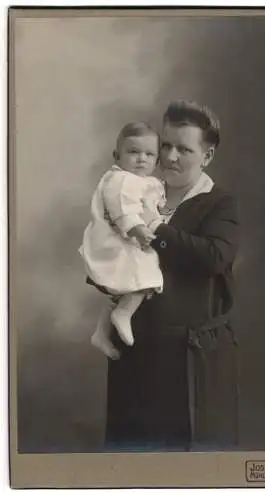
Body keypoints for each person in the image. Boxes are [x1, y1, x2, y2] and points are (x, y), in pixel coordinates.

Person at [104, 100, 240, 451]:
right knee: (129, 457)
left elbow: (213, 257)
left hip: (188, 360)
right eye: (166, 145)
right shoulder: (141, 190)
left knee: (186, 460)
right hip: (135, 353)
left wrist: (157, 227)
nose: (170, 156)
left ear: (207, 156)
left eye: (184, 149)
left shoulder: (219, 203)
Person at [79, 122, 165, 360]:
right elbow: (122, 209)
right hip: (118, 239)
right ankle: (123, 314)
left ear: (157, 160)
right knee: (146, 274)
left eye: (149, 154)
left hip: (124, 239)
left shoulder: (144, 182)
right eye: (133, 152)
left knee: (125, 285)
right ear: (117, 156)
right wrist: (137, 229)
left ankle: (101, 332)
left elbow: (151, 207)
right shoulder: (121, 180)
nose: (141, 159)